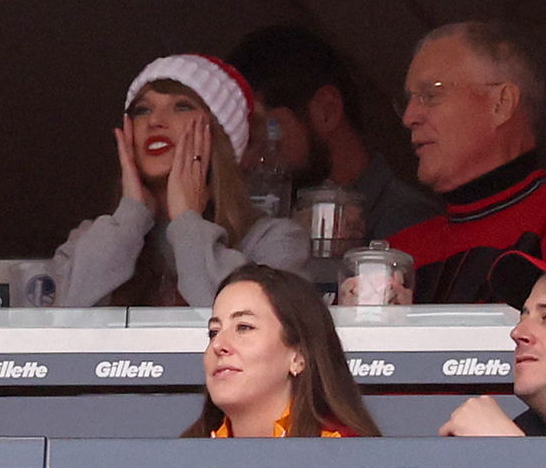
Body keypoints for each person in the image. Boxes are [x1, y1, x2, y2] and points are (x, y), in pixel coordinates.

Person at [55, 54, 310, 307]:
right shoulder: (88, 240)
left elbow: (252, 324)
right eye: (142, 110)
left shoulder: (274, 241)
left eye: (182, 106)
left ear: (220, 136)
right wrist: (130, 214)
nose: (155, 121)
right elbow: (61, 323)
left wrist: (187, 222)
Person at [228, 24, 442, 241]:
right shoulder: (274, 221)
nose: (244, 160)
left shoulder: (409, 224)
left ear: (327, 110)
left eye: (257, 133)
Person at [388, 20, 546, 307]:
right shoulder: (397, 255)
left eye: (431, 95)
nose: (409, 117)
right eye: (409, 100)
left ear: (502, 103)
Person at [182, 263, 380, 437]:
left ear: (298, 356)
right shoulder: (180, 456)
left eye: (244, 327)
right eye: (213, 332)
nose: (218, 345)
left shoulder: (346, 454)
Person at [440, 250, 546, 436]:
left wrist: (508, 450)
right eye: (523, 315)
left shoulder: (507, 437)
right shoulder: (526, 429)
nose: (517, 332)